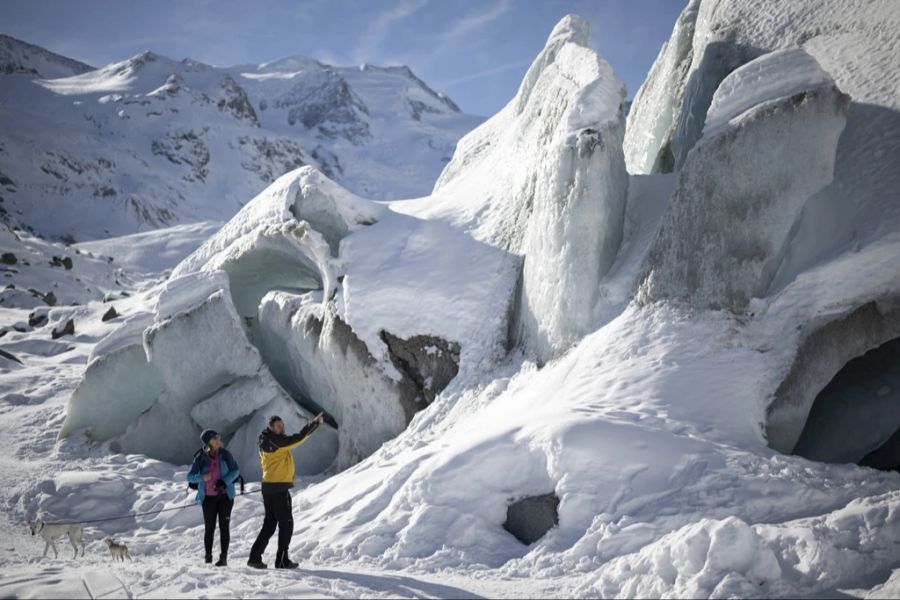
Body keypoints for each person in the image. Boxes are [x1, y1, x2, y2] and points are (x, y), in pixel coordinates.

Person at [247, 413, 324, 569]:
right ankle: (282, 560)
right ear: (271, 427)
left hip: (269, 487)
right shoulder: (276, 442)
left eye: (282, 425)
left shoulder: (265, 440)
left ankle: (255, 557)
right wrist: (314, 423)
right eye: (278, 426)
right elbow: (298, 438)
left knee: (269, 524)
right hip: (278, 488)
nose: (282, 428)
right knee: (286, 523)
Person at [187, 429, 240, 567]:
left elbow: (236, 470)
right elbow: (190, 476)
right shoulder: (200, 457)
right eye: (214, 437)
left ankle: (223, 558)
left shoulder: (225, 454)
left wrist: (224, 482)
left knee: (224, 527)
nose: (218, 439)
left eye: (218, 436)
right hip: (208, 499)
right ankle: (208, 558)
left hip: (225, 497)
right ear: (208, 441)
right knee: (209, 528)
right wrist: (202, 477)